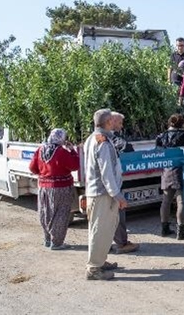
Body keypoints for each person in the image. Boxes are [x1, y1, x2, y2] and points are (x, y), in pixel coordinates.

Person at [83, 108, 129, 281]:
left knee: (102, 230)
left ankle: (100, 261)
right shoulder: (103, 142)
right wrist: (117, 195)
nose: (115, 123)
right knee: (100, 230)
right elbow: (106, 172)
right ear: (108, 122)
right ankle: (94, 268)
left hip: (97, 192)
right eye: (113, 120)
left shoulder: (92, 138)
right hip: (102, 194)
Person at [29, 128, 80, 250]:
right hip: (61, 187)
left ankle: (47, 239)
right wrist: (72, 151)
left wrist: (42, 174)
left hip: (43, 187)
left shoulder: (40, 149)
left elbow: (32, 168)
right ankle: (56, 242)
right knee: (61, 213)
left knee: (45, 212)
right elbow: (75, 166)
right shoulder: (61, 151)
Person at [156, 114, 184, 239]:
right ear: (182, 123)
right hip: (180, 169)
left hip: (166, 169)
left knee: (166, 201)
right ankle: (181, 231)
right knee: (181, 201)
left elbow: (157, 153)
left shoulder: (161, 137)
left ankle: (164, 229)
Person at [109, 112, 139, 255]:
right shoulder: (109, 139)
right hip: (111, 187)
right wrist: (115, 192)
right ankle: (121, 243)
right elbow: (127, 147)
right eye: (119, 123)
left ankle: (105, 244)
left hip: (105, 186)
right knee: (118, 215)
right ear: (112, 122)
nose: (121, 127)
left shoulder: (95, 138)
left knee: (104, 218)